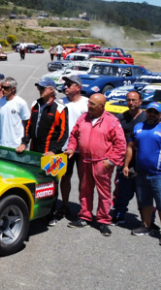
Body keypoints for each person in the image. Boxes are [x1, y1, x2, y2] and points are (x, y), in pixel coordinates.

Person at [64, 94, 126, 236]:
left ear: (102, 107)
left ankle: (103, 221)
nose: (89, 106)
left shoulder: (112, 121)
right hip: (85, 161)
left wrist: (111, 161)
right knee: (85, 190)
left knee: (103, 193)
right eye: (89, 103)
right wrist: (71, 148)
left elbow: (121, 144)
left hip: (102, 163)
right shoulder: (83, 118)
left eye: (92, 104)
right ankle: (85, 216)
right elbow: (74, 135)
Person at [123, 102, 161, 246]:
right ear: (146, 112)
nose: (152, 115)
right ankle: (146, 226)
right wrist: (126, 165)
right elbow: (130, 147)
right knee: (145, 202)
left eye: (155, 112)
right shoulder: (138, 127)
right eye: (150, 112)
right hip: (141, 173)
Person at [20, 79, 69, 225]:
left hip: (51, 154)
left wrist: (54, 151)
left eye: (43, 88)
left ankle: (51, 213)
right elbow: (28, 126)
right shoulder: (35, 104)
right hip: (34, 150)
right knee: (35, 181)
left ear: (51, 89)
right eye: (39, 88)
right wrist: (24, 142)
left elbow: (63, 133)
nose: (40, 90)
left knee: (50, 183)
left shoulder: (60, 108)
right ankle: (37, 211)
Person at [110, 90, 146, 226]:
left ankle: (148, 219)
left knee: (144, 192)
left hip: (142, 162)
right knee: (122, 190)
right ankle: (119, 215)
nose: (131, 103)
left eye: (134, 100)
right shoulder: (120, 117)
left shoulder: (147, 118)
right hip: (123, 161)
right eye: (129, 100)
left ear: (140, 102)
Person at [58, 75, 89, 219]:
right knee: (65, 177)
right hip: (65, 148)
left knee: (84, 179)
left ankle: (84, 209)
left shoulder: (87, 104)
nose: (66, 87)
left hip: (83, 149)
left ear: (78, 88)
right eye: (65, 84)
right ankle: (64, 206)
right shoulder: (60, 103)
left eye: (69, 85)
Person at [0, 78, 31, 149]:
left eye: (6, 88)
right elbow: (0, 121)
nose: (3, 90)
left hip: (17, 145)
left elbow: (27, 124)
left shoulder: (21, 103)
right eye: (2, 87)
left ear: (13, 89)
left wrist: (24, 143)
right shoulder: (0, 102)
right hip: (3, 144)